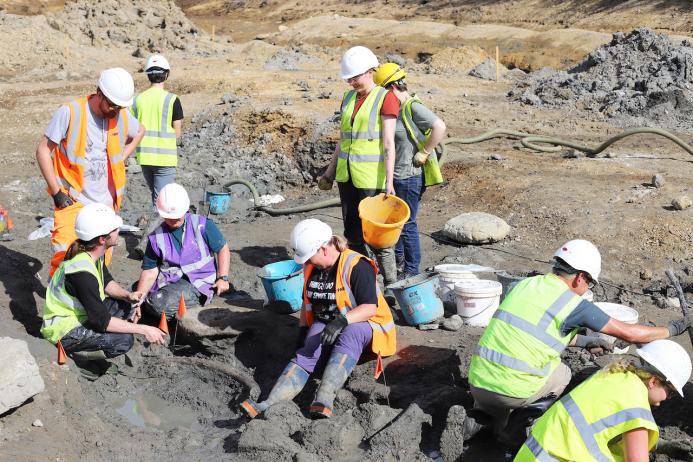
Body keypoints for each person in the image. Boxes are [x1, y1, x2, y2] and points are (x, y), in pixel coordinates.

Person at [464, 239, 693, 443]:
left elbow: (539, 332)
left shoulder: (524, 285)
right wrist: (674, 328)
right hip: (511, 390)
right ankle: (520, 427)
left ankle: (478, 420)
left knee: (496, 409)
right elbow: (630, 333)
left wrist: (586, 341)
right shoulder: (573, 304)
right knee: (561, 373)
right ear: (580, 277)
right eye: (589, 283)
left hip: (477, 382)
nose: (586, 290)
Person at [240, 218, 397, 419]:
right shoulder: (311, 268)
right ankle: (269, 403)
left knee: (351, 332)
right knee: (308, 348)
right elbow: (308, 306)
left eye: (309, 257)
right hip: (328, 322)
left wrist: (342, 321)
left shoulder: (356, 265)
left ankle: (325, 397)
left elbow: (369, 308)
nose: (307, 262)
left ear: (324, 249)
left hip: (369, 325)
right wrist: (304, 333)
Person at [36, 67, 144, 278]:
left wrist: (121, 157)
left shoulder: (120, 114)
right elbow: (42, 150)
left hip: (105, 204)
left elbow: (139, 131)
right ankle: (59, 304)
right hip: (72, 200)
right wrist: (57, 191)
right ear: (99, 93)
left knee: (99, 264)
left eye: (120, 106)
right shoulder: (71, 112)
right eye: (112, 105)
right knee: (65, 257)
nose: (116, 110)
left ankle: (92, 305)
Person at [514, 339, 692, 461]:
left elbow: (594, 429)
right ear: (653, 381)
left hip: (531, 455)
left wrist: (661, 446)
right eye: (671, 393)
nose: (668, 398)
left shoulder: (612, 374)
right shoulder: (636, 409)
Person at [317, 46, 400, 304]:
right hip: (347, 177)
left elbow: (388, 143)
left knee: (376, 237)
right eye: (348, 78)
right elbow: (343, 139)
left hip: (371, 180)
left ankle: (392, 287)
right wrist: (330, 173)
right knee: (351, 233)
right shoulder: (348, 98)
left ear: (371, 71)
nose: (352, 82)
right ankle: (362, 284)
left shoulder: (385, 98)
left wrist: (390, 183)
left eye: (356, 77)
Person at [40, 203, 166, 362]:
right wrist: (144, 329)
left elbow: (106, 282)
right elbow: (101, 321)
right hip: (63, 330)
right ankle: (83, 360)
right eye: (114, 230)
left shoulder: (91, 254)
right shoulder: (82, 274)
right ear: (102, 239)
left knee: (128, 305)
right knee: (123, 341)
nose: (118, 231)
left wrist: (128, 295)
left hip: (83, 314)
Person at [373, 62, 446, 279]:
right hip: (396, 176)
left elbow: (439, 127)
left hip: (409, 176)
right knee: (396, 224)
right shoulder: (396, 108)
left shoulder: (412, 106)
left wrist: (425, 151)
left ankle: (411, 269)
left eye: (382, 92)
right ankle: (399, 262)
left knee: (407, 224)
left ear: (391, 88)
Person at [134, 183, 231, 318]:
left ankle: (193, 307)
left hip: (200, 281)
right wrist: (138, 300)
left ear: (185, 209)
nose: (173, 219)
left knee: (159, 303)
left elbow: (222, 248)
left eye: (177, 216)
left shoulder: (202, 225)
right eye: (169, 217)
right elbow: (150, 271)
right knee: (133, 294)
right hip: (171, 279)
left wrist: (222, 278)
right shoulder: (156, 237)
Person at [131, 54, 184, 206]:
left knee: (157, 196)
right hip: (165, 159)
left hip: (145, 158)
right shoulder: (172, 99)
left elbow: (130, 128)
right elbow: (177, 132)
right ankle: (158, 229)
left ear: (148, 75)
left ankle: (158, 228)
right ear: (166, 74)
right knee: (161, 201)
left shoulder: (137, 100)